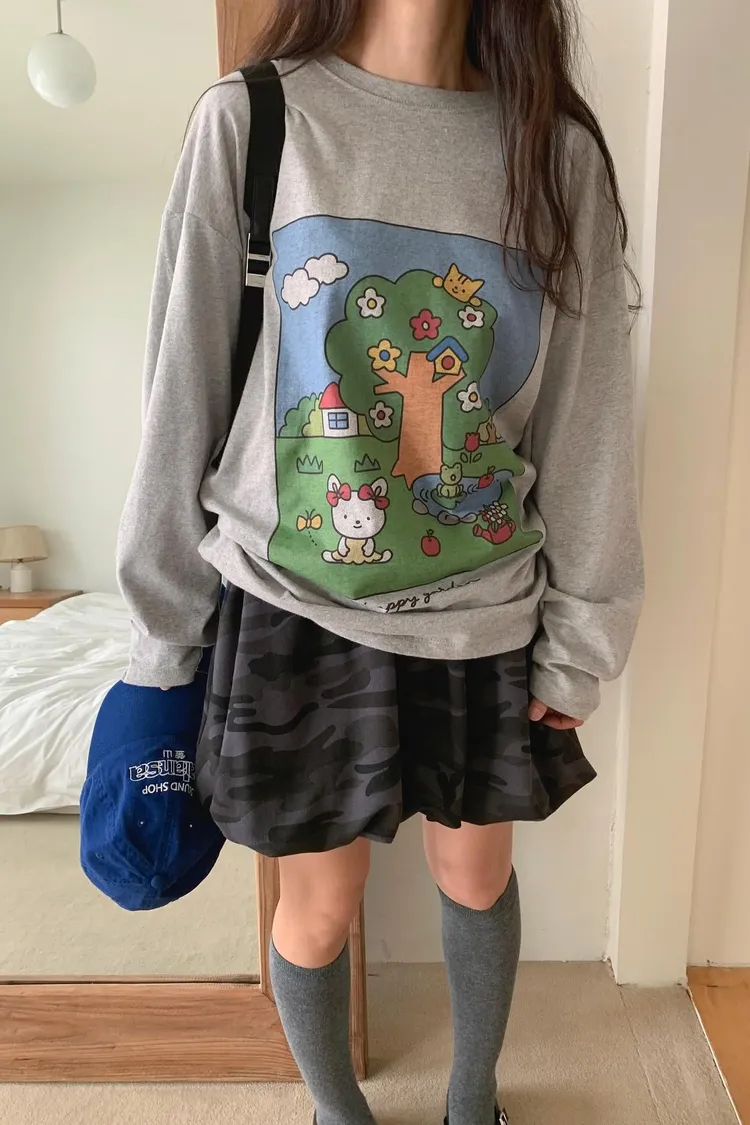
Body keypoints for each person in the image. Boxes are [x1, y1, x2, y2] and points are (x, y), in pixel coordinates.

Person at [117, 0, 644, 1121]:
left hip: (482, 604)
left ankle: (471, 1101)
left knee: (477, 875)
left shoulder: (555, 153)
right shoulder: (255, 120)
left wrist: (584, 635)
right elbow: (181, 390)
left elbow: (587, 415)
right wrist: (160, 646)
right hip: (291, 600)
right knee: (318, 908)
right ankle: (336, 1110)